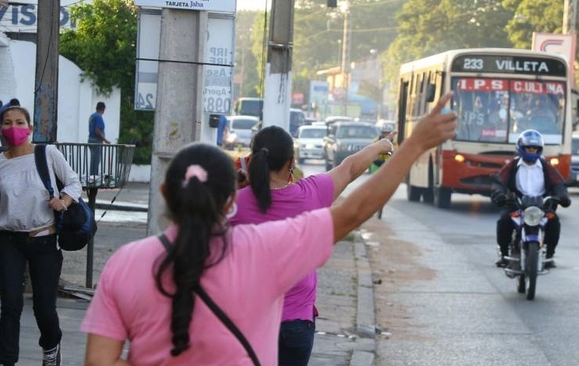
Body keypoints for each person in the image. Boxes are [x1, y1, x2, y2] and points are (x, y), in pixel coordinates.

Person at [80, 92, 457, 366]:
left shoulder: (125, 263)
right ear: (230, 200)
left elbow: (98, 362)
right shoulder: (262, 249)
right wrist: (412, 145)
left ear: (165, 193)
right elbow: (355, 209)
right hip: (296, 327)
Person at [229, 125, 394, 366]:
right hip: (296, 325)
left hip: (248, 323)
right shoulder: (311, 194)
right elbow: (349, 168)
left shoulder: (233, 203)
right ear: (291, 162)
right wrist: (380, 146)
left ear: (251, 159)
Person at [0, 106, 82, 366]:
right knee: (10, 304)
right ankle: (7, 361)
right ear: (0, 129)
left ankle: (51, 346)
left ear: (30, 128)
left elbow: (75, 183)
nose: (14, 127)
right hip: (10, 241)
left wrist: (63, 201)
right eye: (7, 122)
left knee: (43, 308)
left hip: (45, 239)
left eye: (19, 122)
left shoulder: (47, 153)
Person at [491, 129, 571, 269]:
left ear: (539, 149)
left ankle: (549, 256)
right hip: (517, 203)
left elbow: (559, 183)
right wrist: (500, 195)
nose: (532, 150)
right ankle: (504, 255)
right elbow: (499, 182)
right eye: (528, 147)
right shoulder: (513, 165)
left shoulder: (546, 166)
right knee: (504, 220)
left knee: (554, 222)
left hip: (541, 205)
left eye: (535, 148)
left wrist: (562, 196)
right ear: (521, 148)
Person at [88, 101, 110, 175]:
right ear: (103, 109)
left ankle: (92, 177)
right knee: (96, 161)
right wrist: (105, 140)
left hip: (90, 140)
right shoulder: (98, 117)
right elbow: (97, 131)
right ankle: (93, 178)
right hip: (96, 141)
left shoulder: (92, 116)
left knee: (93, 160)